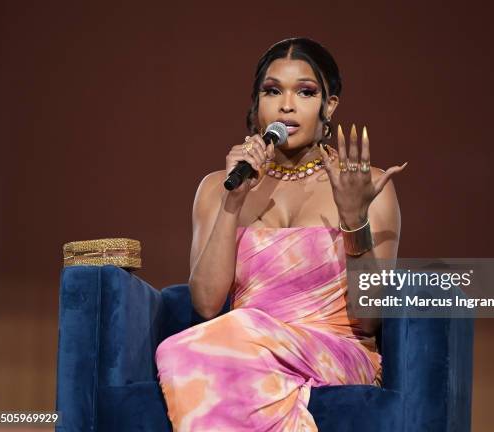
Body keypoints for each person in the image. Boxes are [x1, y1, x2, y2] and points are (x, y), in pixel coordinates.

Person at [155, 37, 407, 431]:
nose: (286, 105)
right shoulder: (218, 187)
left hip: (336, 349)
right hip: (246, 348)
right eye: (272, 91)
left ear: (329, 106)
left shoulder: (365, 186)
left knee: (220, 338)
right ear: (257, 104)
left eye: (305, 92)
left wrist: (354, 216)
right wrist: (232, 205)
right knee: (177, 349)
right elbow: (206, 304)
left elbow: (371, 318)